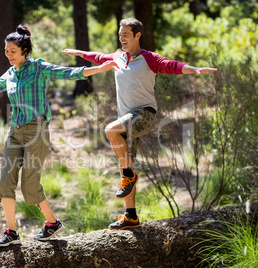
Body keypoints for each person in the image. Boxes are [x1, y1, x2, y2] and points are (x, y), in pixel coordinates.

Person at [0, 24, 118, 247]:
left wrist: (98, 69)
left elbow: (68, 72)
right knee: (5, 185)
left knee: (30, 187)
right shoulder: (10, 74)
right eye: (6, 51)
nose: (8, 55)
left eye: (12, 51)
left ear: (24, 50)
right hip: (15, 132)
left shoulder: (38, 68)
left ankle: (52, 223)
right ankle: (11, 232)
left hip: (36, 132)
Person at [62, 18, 217, 230]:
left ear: (137, 35)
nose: (121, 38)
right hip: (126, 118)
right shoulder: (117, 57)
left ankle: (129, 176)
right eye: (120, 34)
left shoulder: (148, 58)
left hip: (144, 114)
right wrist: (79, 53)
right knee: (126, 164)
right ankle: (131, 216)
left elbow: (171, 66)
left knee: (110, 131)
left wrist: (194, 69)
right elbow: (98, 57)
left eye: (126, 34)